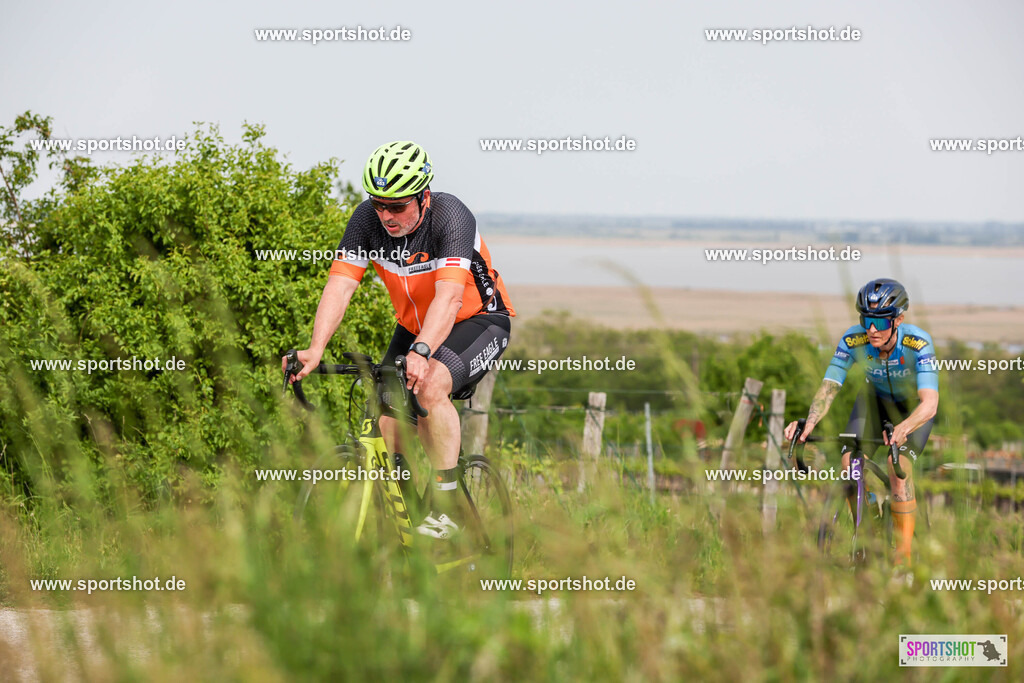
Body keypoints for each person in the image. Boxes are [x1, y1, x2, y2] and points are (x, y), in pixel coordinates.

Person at [285, 141, 515, 541]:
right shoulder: (365, 222)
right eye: (379, 204)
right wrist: (315, 347)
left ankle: (447, 507)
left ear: (424, 197)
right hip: (415, 326)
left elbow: (450, 298)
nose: (386, 216)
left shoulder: (451, 217)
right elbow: (339, 287)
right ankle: (410, 531)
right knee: (388, 425)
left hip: (478, 320)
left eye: (397, 206)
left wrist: (423, 352)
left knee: (430, 386)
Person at [784, 278, 939, 567]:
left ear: (898, 320)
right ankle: (868, 527)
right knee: (848, 464)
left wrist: (903, 429)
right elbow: (830, 386)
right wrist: (810, 423)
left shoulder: (917, 343)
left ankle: (902, 559)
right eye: (866, 320)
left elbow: (930, 403)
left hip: (912, 410)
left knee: (899, 469)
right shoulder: (853, 340)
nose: (871, 329)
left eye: (879, 323)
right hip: (874, 400)